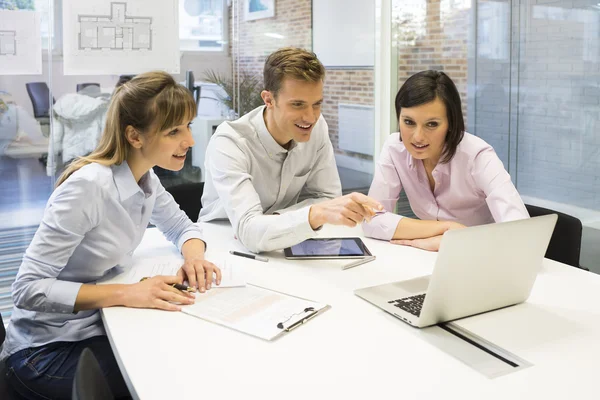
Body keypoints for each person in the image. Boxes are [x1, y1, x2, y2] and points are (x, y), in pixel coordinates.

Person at [1, 71, 221, 400]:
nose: (188, 141)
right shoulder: (88, 187)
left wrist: (195, 259)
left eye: (188, 126)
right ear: (135, 136)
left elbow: (181, 226)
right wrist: (128, 293)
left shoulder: (145, 177)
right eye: (174, 131)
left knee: (186, 350)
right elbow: (27, 290)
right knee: (170, 380)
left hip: (94, 328)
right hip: (45, 352)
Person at [199, 47, 382, 253]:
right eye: (297, 105)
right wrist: (312, 214)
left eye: (317, 104)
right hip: (222, 246)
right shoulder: (230, 142)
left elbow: (327, 198)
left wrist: (279, 220)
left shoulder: (317, 126)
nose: (310, 117)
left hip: (285, 241)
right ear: (269, 100)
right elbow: (248, 231)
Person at [363, 70, 529, 251]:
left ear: (451, 124)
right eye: (409, 122)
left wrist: (454, 240)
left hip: (483, 257)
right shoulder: (395, 148)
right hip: (428, 255)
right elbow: (371, 219)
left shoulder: (478, 156)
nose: (417, 137)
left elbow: (522, 235)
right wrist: (445, 229)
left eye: (432, 124)